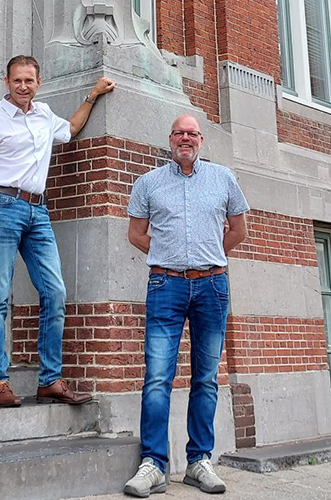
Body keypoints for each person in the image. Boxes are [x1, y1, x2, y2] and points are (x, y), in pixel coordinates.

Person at [0, 55, 115, 407]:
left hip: (38, 211)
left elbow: (71, 129)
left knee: (55, 292)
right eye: (16, 80)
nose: (23, 86)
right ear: (7, 82)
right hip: (2, 207)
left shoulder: (45, 115)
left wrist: (92, 95)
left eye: (29, 81)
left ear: (38, 82)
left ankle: (49, 381)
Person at [124, 115, 249, 497]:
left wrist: (209, 257)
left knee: (206, 377)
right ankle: (153, 465)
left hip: (212, 286)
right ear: (170, 139)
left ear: (201, 140)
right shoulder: (148, 183)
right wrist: (169, 255)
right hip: (165, 285)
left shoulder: (224, 178)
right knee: (158, 377)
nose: (186, 138)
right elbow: (135, 234)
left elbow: (239, 230)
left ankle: (199, 461)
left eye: (192, 133)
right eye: (179, 133)